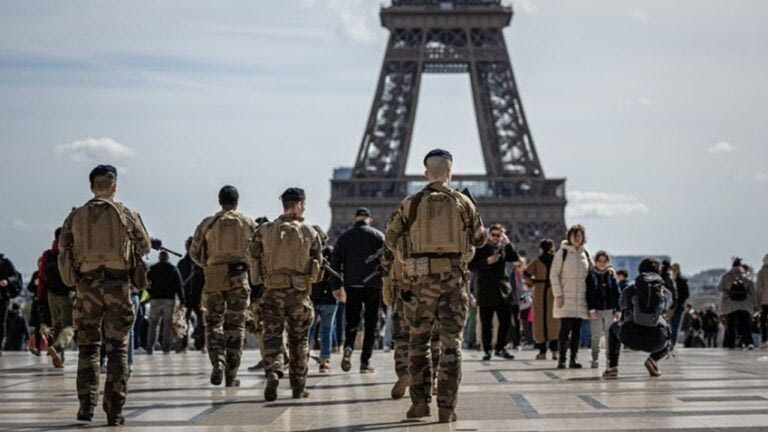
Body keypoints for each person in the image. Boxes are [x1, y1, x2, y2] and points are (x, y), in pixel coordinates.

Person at [385, 149, 487, 423]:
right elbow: (479, 239)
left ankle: (420, 404)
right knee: (451, 345)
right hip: (454, 282)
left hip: (420, 283)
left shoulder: (411, 203)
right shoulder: (464, 203)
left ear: (427, 173)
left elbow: (391, 239)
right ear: (451, 171)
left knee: (418, 341)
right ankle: (447, 407)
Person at [58, 164, 151, 425]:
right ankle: (114, 410)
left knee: (88, 347)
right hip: (117, 287)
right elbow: (143, 245)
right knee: (118, 349)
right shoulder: (126, 214)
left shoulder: (75, 216)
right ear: (114, 186)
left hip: (86, 288)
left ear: (91, 187)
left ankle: (86, 406)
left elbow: (63, 247)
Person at [248, 187, 323, 401]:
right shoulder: (310, 231)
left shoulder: (265, 230)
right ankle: (298, 386)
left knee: (272, 336)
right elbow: (318, 268)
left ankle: (273, 371)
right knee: (299, 340)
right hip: (299, 294)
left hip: (272, 292)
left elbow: (251, 255)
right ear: (299, 204)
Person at [190, 185, 256, 387]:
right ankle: (232, 373)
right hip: (239, 275)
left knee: (213, 323)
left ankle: (217, 360)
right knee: (236, 325)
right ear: (236, 202)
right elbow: (257, 251)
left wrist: (209, 265)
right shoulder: (247, 222)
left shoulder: (208, 223)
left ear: (220, 201)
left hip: (214, 276)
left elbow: (194, 251)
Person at [331, 207, 385, 374]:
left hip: (352, 285)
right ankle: (365, 361)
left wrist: (336, 286)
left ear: (355, 218)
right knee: (371, 324)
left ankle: (348, 347)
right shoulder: (378, 236)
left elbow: (334, 263)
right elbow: (388, 260)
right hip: (373, 285)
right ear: (369, 219)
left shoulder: (344, 237)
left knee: (352, 321)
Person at [381, 248, 441, 400]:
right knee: (432, 337)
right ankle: (432, 379)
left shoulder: (400, 225)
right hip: (432, 290)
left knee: (402, 336)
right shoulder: (436, 229)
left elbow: (386, 259)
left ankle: (404, 373)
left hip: (404, 290)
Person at [602, 258, 673, 379]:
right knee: (668, 331)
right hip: (656, 341)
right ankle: (653, 359)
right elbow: (667, 309)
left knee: (613, 328)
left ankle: (612, 368)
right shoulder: (665, 292)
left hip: (631, 337)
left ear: (640, 271)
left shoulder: (629, 289)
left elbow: (622, 309)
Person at [468, 224, 519, 361]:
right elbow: (471, 265)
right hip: (486, 291)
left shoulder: (503, 248)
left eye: (499, 235)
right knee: (486, 324)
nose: (496, 238)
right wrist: (487, 261)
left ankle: (500, 348)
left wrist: (508, 244)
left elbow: (514, 258)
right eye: (494, 235)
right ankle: (487, 350)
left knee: (506, 322)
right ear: (489, 234)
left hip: (502, 291)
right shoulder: (481, 249)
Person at [550, 225, 591, 369]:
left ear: (583, 238)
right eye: (574, 235)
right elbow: (553, 275)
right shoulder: (562, 253)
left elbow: (592, 274)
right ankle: (562, 359)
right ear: (569, 237)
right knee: (565, 329)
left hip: (580, 299)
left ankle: (573, 359)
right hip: (565, 298)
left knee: (577, 331)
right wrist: (558, 295)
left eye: (579, 235)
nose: (576, 238)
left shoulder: (585, 254)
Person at [309, 226, 343, 373]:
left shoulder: (308, 253)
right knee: (327, 330)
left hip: (313, 297)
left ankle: (303, 358)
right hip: (330, 297)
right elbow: (339, 273)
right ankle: (325, 361)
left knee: (307, 330)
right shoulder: (333, 252)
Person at [40, 227, 76, 368]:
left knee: (56, 325)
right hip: (66, 294)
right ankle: (57, 348)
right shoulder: (69, 252)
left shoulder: (47, 255)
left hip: (51, 294)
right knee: (70, 326)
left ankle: (59, 358)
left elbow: (42, 277)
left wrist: (41, 297)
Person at [525, 239, 560, 360]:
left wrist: (532, 283)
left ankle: (542, 351)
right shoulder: (557, 260)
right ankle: (555, 350)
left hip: (540, 290)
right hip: (553, 290)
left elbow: (526, 273)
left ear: (541, 248)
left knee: (539, 320)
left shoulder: (537, 261)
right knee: (554, 320)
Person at [585, 251, 620, 369]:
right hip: (596, 311)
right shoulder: (591, 275)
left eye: (605, 261)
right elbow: (589, 294)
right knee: (595, 336)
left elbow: (616, 293)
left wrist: (618, 309)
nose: (602, 263)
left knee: (609, 335)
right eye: (599, 261)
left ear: (608, 262)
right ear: (595, 261)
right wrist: (591, 309)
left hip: (610, 310)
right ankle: (594, 358)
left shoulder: (611, 275)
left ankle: (609, 359)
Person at [146, 251, 185, 354]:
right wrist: (182, 299)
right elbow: (179, 286)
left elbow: (146, 283)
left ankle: (150, 346)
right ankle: (166, 347)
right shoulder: (173, 269)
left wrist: (150, 293)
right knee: (167, 325)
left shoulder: (153, 269)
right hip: (169, 299)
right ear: (167, 258)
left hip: (155, 299)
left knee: (153, 324)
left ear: (159, 258)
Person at [718, 258, 756, 349]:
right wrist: (754, 304)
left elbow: (719, 288)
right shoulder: (747, 277)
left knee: (731, 325)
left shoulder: (726, 277)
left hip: (730, 306)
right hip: (744, 305)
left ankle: (731, 344)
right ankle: (749, 342)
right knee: (745, 325)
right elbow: (753, 292)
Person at [178, 237, 206, 351]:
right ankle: (184, 345)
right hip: (186, 297)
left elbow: (205, 280)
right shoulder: (183, 263)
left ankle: (203, 344)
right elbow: (178, 282)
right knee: (184, 321)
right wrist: (181, 297)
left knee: (202, 322)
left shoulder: (200, 263)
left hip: (198, 296)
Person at [0, 253, 23, 355]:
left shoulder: (6, 263)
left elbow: (16, 276)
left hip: (3, 297)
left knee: (1, 322)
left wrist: (7, 281)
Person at [757, 255, 768, 347]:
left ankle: (764, 340)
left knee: (763, 321)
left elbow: (759, 288)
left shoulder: (761, 272)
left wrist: (758, 300)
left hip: (764, 301)